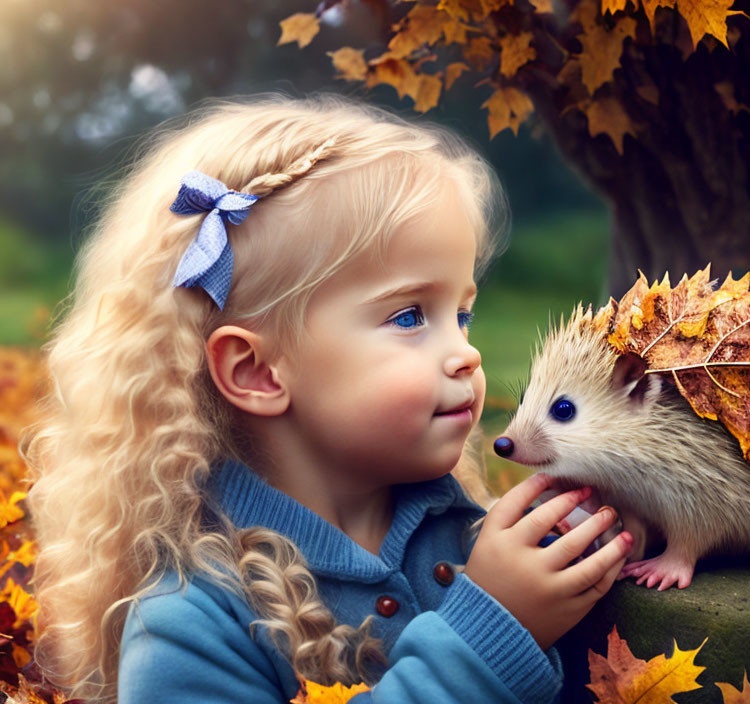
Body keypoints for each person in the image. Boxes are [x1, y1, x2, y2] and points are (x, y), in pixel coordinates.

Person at [19, 92, 633, 704]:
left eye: (463, 315)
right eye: (410, 316)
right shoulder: (194, 622)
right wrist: (490, 634)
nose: (465, 355)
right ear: (257, 371)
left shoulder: (465, 533)